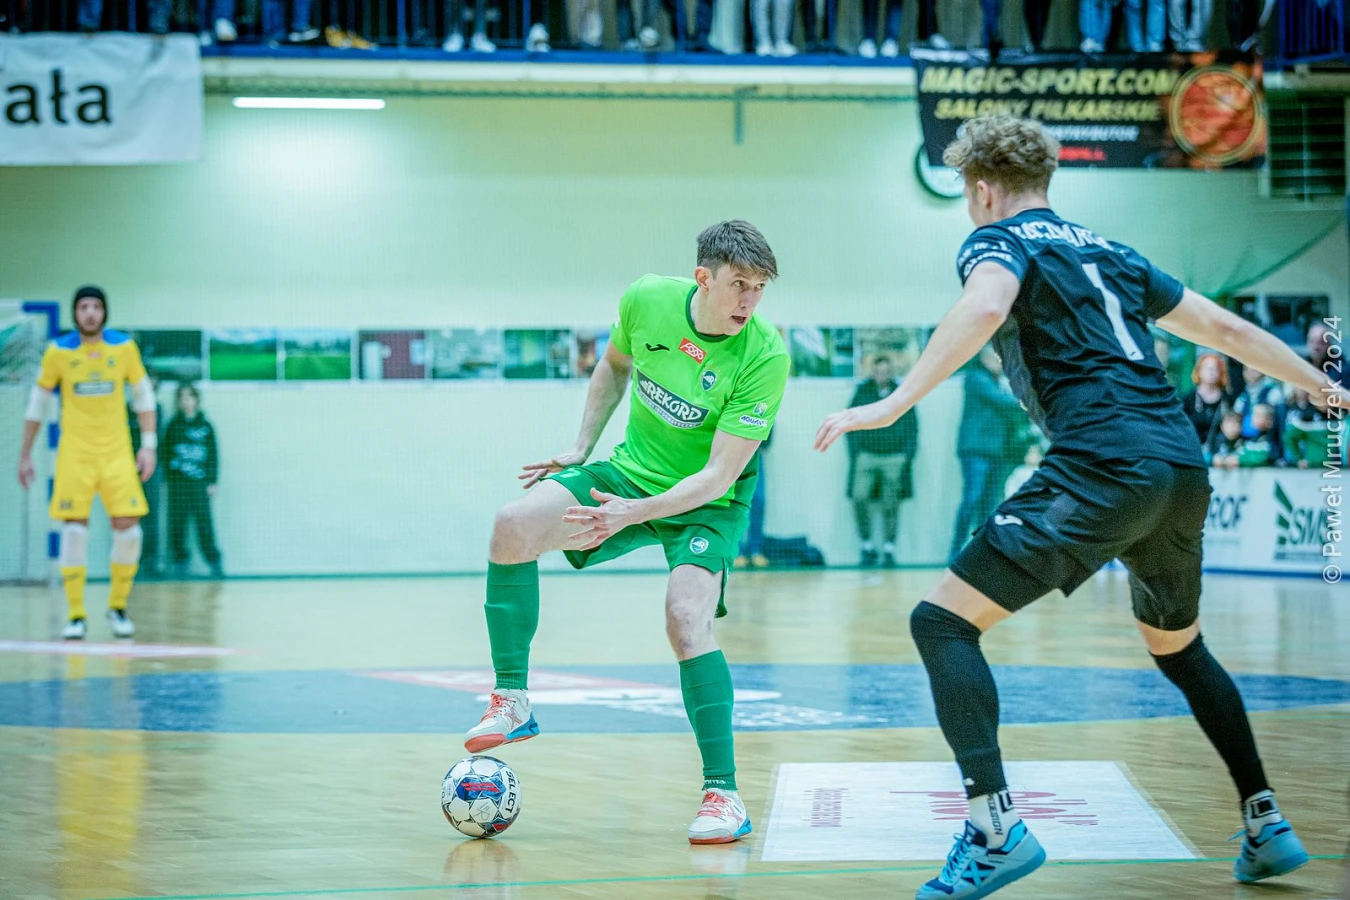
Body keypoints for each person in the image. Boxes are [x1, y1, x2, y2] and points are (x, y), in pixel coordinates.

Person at [814, 114, 1341, 900]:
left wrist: (893, 402)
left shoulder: (997, 241)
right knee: (1180, 649)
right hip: (1179, 466)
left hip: (1101, 464)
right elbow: (1224, 329)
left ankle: (994, 832)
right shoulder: (1112, 252)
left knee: (942, 623)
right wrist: (1323, 386)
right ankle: (1265, 821)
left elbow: (984, 308)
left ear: (981, 190)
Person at [462, 220, 789, 845]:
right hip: (631, 473)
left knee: (686, 619)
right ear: (703, 278)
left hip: (708, 502)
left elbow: (719, 476)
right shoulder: (646, 298)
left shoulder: (765, 355)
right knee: (512, 526)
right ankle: (512, 700)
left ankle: (723, 795)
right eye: (739, 285)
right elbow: (613, 366)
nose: (750, 300)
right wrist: (581, 447)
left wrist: (633, 514)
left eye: (760, 288)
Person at [17, 286, 157, 640]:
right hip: (75, 455)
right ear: (75, 313)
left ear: (104, 311)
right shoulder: (58, 351)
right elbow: (37, 403)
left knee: (130, 532)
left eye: (96, 306)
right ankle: (76, 614)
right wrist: (25, 453)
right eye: (83, 306)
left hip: (117, 454)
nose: (90, 312)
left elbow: (143, 396)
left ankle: (118, 607)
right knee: (74, 532)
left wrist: (149, 446)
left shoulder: (124, 347)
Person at [949, 345, 1024, 561]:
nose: (1002, 363)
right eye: (998, 358)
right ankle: (955, 552)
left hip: (996, 451)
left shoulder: (996, 381)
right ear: (985, 358)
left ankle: (980, 553)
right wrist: (1028, 400)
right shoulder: (976, 378)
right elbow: (1003, 401)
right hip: (976, 451)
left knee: (989, 503)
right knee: (972, 498)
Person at [846, 355, 918, 567]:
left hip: (894, 457)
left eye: (886, 372)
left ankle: (889, 548)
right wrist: (856, 452)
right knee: (859, 496)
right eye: (879, 372)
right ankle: (866, 545)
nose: (882, 376)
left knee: (891, 504)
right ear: (873, 372)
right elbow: (850, 421)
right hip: (866, 455)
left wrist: (906, 456)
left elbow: (912, 427)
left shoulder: (901, 393)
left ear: (891, 372)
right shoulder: (863, 392)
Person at [165, 383, 223, 579]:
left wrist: (212, 481)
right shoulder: (173, 425)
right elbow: (165, 453)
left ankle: (214, 562)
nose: (186, 401)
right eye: (182, 398)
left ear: (196, 400)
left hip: (199, 484)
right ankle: (179, 563)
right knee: (177, 524)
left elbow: (213, 455)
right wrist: (169, 478)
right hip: (178, 485)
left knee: (204, 524)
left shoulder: (205, 426)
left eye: (189, 397)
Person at [129, 376, 165, 579]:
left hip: (151, 471)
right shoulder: (127, 409)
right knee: (129, 516)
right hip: (128, 470)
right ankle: (132, 562)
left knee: (151, 516)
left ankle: (152, 562)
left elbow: (160, 439)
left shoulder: (157, 409)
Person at [1179, 352, 1229, 444]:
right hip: (1192, 446)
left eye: (1216, 368)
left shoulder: (1227, 399)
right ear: (1199, 371)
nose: (1211, 372)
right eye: (1207, 368)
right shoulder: (1188, 399)